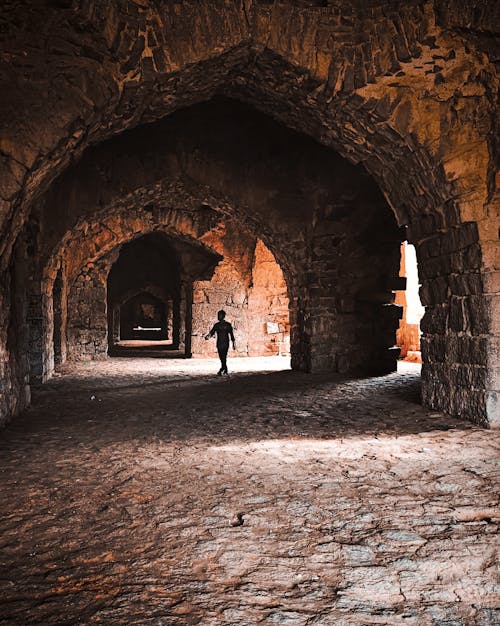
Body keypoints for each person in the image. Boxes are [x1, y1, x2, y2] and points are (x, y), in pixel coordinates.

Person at [205, 310, 236, 375]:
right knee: (221, 356)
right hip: (219, 343)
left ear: (223, 316)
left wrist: (233, 343)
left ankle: (222, 368)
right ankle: (225, 368)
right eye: (218, 315)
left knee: (223, 356)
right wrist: (208, 336)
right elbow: (212, 332)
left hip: (225, 343)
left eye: (219, 315)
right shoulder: (217, 325)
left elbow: (231, 335)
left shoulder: (228, 325)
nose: (218, 316)